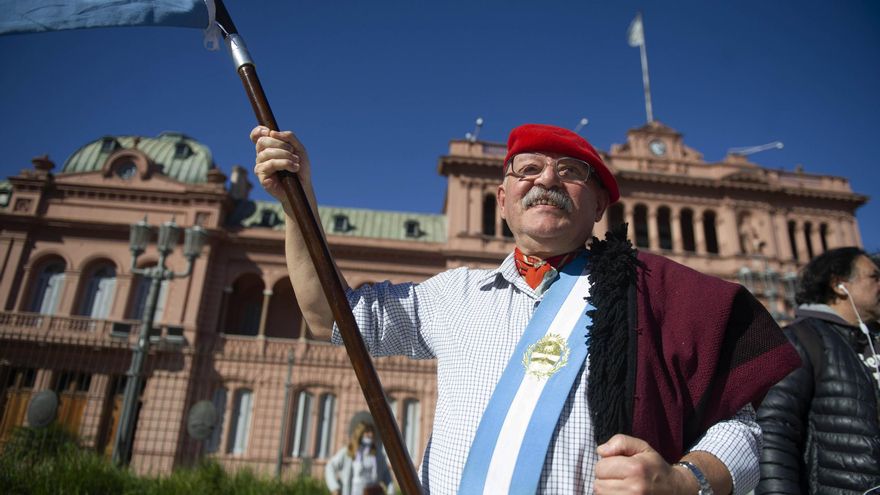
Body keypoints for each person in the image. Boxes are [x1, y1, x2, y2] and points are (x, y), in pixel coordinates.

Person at [252, 123, 800, 494]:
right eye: (528, 169)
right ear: (502, 200)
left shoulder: (658, 295)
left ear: (599, 205)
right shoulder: (454, 295)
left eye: (571, 171)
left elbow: (745, 427)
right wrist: (299, 201)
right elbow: (330, 318)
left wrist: (686, 482)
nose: (547, 179)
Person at [757, 247, 880, 493]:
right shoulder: (801, 340)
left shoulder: (873, 340)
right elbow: (773, 434)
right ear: (839, 285)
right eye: (874, 277)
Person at [325, 420, 393, 495]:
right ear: (360, 433)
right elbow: (330, 466)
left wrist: (391, 490)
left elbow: (386, 473)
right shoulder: (348, 451)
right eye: (367, 432)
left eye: (372, 432)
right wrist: (334, 487)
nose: (371, 435)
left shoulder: (377, 454)